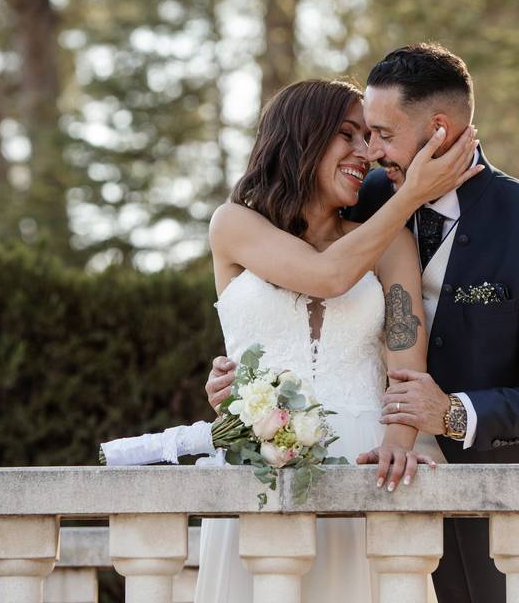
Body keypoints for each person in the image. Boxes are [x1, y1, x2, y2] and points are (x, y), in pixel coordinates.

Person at [206, 44, 519, 603]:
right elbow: (302, 289)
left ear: (438, 129)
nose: (369, 150)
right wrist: (239, 388)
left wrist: (453, 415)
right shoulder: (364, 196)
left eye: (381, 134)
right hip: (337, 472)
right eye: (360, 134)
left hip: (492, 497)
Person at [194, 78, 482, 603]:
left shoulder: (392, 244)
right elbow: (328, 276)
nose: (366, 153)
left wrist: (397, 446)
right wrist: (411, 194)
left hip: (366, 463)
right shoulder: (233, 225)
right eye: (348, 135)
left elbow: (405, 358)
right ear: (302, 136)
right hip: (261, 463)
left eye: (370, 137)